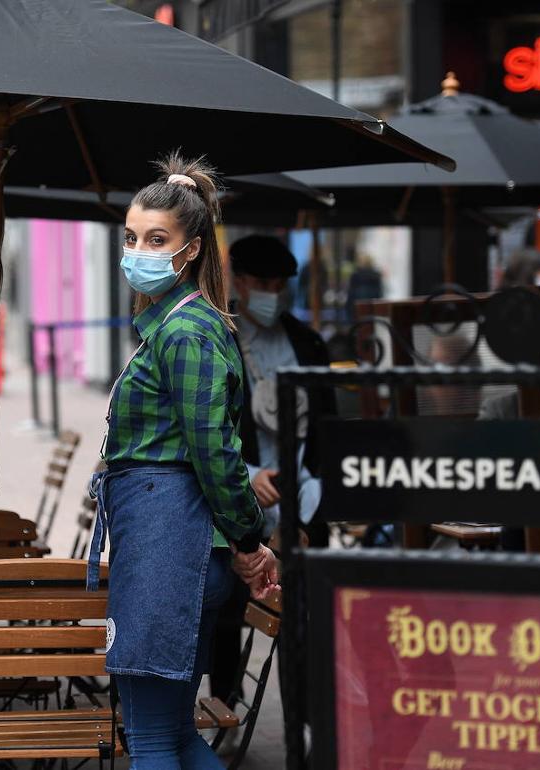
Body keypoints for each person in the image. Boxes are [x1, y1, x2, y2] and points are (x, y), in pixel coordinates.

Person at [90, 153, 277, 769]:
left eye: (156, 239)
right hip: (172, 543)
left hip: (171, 544)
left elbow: (216, 453)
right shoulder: (173, 325)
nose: (138, 250)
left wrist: (251, 540)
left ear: (191, 250)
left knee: (149, 738)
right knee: (173, 735)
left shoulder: (186, 332)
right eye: (131, 237)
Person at [208, 235, 331, 715]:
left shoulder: (308, 342)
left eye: (280, 284)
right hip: (241, 506)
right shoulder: (219, 340)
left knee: (304, 621)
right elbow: (210, 429)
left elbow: (325, 432)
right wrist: (249, 476)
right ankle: (224, 705)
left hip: (304, 505)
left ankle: (307, 719)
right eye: (262, 282)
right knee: (228, 612)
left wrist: (307, 506)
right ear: (238, 280)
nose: (272, 292)